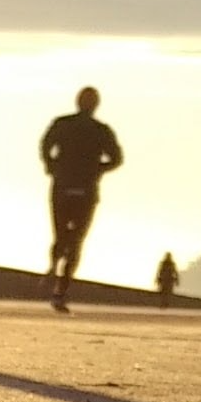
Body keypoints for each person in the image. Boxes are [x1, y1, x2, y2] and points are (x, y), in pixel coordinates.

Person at [39, 87, 124, 312]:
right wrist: (98, 169)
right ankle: (61, 291)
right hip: (87, 189)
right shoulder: (102, 130)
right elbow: (117, 159)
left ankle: (53, 263)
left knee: (60, 233)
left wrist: (51, 165)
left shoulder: (62, 123)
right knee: (76, 240)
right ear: (96, 105)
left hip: (62, 185)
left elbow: (45, 146)